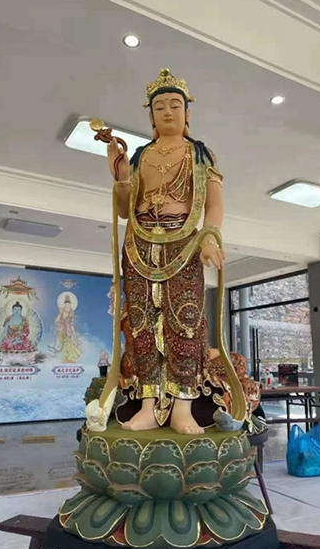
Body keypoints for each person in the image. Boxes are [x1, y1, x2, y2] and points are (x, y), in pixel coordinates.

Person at [106, 68, 230, 435]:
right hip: (139, 244)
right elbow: (124, 211)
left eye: (175, 105)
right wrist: (121, 178)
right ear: (151, 116)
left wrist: (209, 238)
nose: (168, 112)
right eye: (159, 107)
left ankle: (182, 407)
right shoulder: (139, 156)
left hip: (184, 242)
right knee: (141, 324)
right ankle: (147, 405)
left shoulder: (200, 154)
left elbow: (214, 205)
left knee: (185, 323)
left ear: (187, 112)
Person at [54, 295, 81, 363]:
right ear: (64, 306)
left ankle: (70, 357)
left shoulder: (71, 313)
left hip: (68, 330)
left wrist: (72, 328)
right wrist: (60, 314)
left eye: (69, 306)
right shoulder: (62, 312)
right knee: (63, 343)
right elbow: (56, 320)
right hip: (62, 329)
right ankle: (65, 356)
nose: (67, 307)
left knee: (68, 343)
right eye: (66, 306)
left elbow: (71, 322)